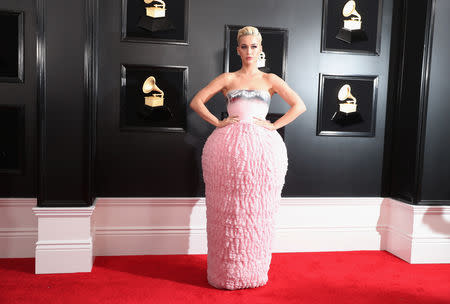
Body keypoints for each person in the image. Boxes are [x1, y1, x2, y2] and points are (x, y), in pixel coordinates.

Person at [189, 26, 307, 290]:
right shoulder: (228, 78)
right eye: (244, 46)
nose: (249, 51)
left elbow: (300, 105)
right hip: (227, 149)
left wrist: (275, 125)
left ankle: (252, 271)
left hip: (263, 151)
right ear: (238, 49)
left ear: (260, 49)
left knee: (258, 209)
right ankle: (224, 272)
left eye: (254, 46)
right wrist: (218, 122)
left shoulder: (270, 80)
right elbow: (197, 101)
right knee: (226, 209)